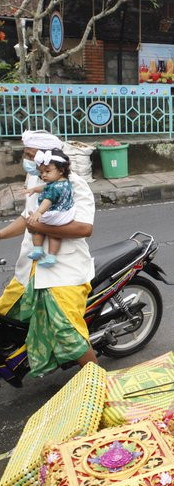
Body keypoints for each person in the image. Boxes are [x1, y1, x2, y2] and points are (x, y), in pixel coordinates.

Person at [0, 130, 96, 379]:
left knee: (68, 331)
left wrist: (39, 227)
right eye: (28, 155)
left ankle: (98, 382)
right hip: (29, 269)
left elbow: (85, 228)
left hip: (63, 270)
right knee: (6, 313)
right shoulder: (37, 180)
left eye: (33, 156)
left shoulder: (75, 185)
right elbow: (26, 218)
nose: (29, 161)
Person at [25, 149, 75, 267]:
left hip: (53, 213)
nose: (44, 175)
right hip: (65, 213)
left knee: (37, 227)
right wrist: (34, 189)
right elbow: (45, 187)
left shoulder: (54, 187)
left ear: (61, 170)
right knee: (55, 235)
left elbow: (48, 200)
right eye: (42, 172)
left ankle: (38, 249)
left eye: (47, 171)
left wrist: (39, 212)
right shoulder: (64, 182)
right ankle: (51, 256)